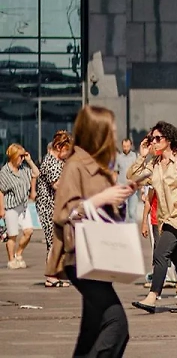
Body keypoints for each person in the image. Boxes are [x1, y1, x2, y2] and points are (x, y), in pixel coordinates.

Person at [53, 105, 136, 356]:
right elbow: (64, 213)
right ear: (97, 133)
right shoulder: (75, 165)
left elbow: (106, 211)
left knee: (91, 332)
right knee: (117, 324)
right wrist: (101, 199)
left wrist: (119, 198)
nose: (114, 136)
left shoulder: (100, 167)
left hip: (98, 254)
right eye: (110, 131)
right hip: (80, 256)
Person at [127, 121, 177, 314]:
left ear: (169, 140)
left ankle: (152, 297)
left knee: (160, 254)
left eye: (157, 138)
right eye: (151, 139)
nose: (153, 142)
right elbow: (133, 177)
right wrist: (142, 155)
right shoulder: (154, 165)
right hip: (165, 218)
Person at [37, 131, 73, 287]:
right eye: (67, 150)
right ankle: (51, 276)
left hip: (57, 207)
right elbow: (58, 185)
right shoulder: (50, 161)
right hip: (48, 207)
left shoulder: (59, 161)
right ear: (59, 147)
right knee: (53, 241)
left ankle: (56, 273)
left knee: (59, 241)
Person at [1, 142, 40, 269]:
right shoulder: (5, 172)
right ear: (13, 156)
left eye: (23, 156)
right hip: (10, 206)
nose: (22, 159)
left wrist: (29, 160)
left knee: (28, 231)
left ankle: (18, 253)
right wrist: (1, 209)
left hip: (23, 205)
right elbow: (1, 191)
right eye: (20, 156)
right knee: (12, 235)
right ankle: (11, 260)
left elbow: (36, 173)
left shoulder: (24, 168)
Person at [114, 139, 138, 223]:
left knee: (132, 212)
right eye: (124, 146)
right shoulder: (119, 157)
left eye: (127, 146)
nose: (126, 148)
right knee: (122, 212)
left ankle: (132, 229)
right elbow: (115, 172)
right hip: (122, 188)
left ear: (130, 146)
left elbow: (138, 171)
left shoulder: (135, 156)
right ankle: (122, 229)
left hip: (132, 188)